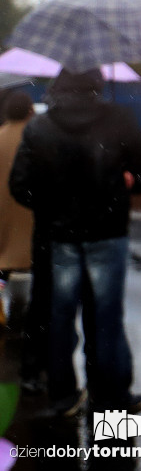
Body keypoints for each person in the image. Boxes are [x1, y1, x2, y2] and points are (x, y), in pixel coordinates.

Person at [9, 69, 141, 417]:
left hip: (60, 237)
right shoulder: (119, 117)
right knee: (106, 319)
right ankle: (113, 405)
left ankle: (63, 396)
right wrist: (123, 178)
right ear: (97, 83)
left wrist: (52, 206)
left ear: (58, 86)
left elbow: (20, 185)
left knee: (59, 318)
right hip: (108, 233)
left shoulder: (39, 126)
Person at [0, 91, 35, 327]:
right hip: (28, 208)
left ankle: (3, 311)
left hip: (2, 209)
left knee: (3, 261)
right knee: (31, 258)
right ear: (30, 111)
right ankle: (27, 313)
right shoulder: (36, 137)